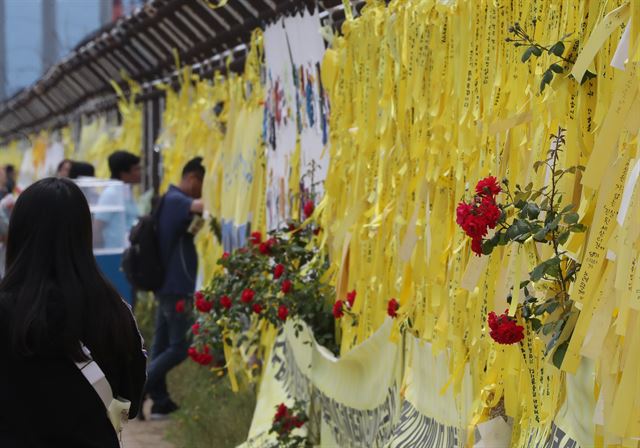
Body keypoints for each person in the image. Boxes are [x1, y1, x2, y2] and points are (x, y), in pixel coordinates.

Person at [0, 178, 146, 447]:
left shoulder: (8, 311)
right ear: (83, 233)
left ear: (19, 233)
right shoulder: (115, 310)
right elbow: (130, 403)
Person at [145, 157, 205, 420]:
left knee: (160, 347)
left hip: (167, 285)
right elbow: (202, 205)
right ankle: (138, 388)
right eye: (201, 184)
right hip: (176, 286)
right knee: (180, 347)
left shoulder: (169, 200)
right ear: (192, 178)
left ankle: (160, 402)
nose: (201, 191)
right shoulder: (177, 200)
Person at [93, 151, 141, 249]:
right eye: (136, 169)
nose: (139, 173)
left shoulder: (127, 192)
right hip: (114, 254)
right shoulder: (111, 194)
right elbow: (97, 227)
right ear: (123, 173)